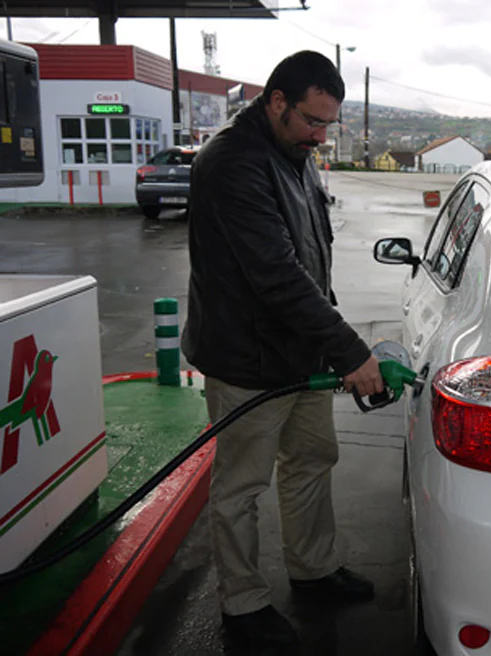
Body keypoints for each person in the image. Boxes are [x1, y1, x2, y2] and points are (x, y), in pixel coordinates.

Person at [181, 50, 384, 649]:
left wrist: (328, 347)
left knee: (311, 460)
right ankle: (243, 604)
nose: (320, 137)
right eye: (311, 122)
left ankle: (313, 568)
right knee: (241, 485)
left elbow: (311, 255)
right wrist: (351, 352)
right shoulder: (233, 162)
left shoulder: (297, 153)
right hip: (248, 359)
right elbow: (275, 275)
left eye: (329, 125)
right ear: (276, 102)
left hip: (301, 355)